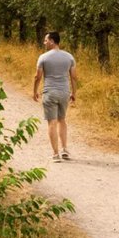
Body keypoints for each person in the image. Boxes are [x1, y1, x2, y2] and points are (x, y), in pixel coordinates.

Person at [32, 31, 77, 162]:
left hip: (50, 92)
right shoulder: (69, 57)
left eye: (46, 40)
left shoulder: (43, 57)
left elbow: (37, 76)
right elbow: (74, 77)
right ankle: (64, 150)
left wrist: (34, 91)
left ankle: (55, 154)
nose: (44, 43)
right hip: (64, 92)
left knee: (52, 122)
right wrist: (74, 93)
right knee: (62, 120)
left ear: (52, 41)